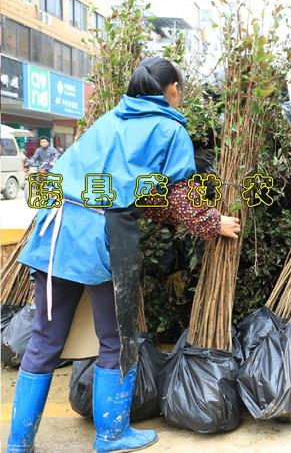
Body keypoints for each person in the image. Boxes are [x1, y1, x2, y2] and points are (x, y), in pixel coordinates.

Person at [7, 57, 241, 453]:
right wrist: (213, 222)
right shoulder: (169, 130)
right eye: (180, 89)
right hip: (103, 235)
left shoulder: (108, 122)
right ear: (171, 91)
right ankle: (111, 434)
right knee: (116, 337)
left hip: (55, 228)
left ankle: (18, 443)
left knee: (44, 339)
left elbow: (139, 194)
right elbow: (182, 200)